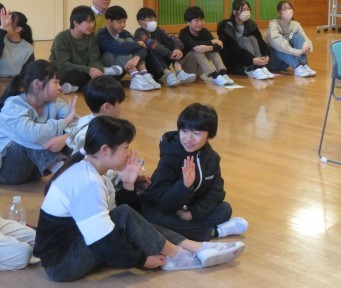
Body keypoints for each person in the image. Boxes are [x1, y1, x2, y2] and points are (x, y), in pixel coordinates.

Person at [33, 116, 245, 282]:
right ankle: (179, 256)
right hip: (62, 265)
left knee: (128, 215)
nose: (129, 153)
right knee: (124, 215)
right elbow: (105, 239)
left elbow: (126, 219)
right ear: (105, 150)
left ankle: (195, 247)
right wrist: (141, 260)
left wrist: (128, 184)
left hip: (75, 247)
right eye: (125, 147)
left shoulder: (90, 170)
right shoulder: (88, 182)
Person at [141, 103, 248, 241]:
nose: (189, 138)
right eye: (184, 131)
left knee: (224, 210)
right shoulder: (170, 158)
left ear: (210, 136)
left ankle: (187, 230)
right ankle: (214, 232)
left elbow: (217, 192)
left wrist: (192, 213)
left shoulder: (212, 158)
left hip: (189, 208)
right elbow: (163, 204)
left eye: (196, 133)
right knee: (156, 220)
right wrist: (184, 186)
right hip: (162, 208)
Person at [0, 60, 76, 184]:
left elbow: (80, 125)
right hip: (7, 171)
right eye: (55, 82)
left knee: (72, 136)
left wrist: (65, 138)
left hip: (33, 171)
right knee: (34, 137)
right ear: (37, 84)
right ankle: (66, 175)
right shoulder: (13, 105)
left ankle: (82, 172)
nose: (59, 87)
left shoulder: (55, 103)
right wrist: (65, 121)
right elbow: (34, 135)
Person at [50, 5, 123, 93]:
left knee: (102, 76)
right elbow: (64, 65)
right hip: (65, 72)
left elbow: (95, 59)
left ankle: (75, 87)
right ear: (76, 23)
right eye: (88, 22)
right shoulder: (61, 38)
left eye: (92, 22)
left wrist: (97, 71)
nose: (92, 25)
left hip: (84, 70)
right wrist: (89, 70)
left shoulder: (91, 36)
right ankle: (96, 81)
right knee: (74, 76)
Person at [96, 6, 160, 91]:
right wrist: (138, 43)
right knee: (121, 42)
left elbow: (143, 47)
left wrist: (136, 57)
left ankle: (144, 73)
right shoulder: (102, 34)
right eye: (119, 22)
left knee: (129, 41)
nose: (123, 25)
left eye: (124, 21)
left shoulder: (124, 33)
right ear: (109, 21)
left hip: (123, 68)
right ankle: (135, 75)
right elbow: (119, 48)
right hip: (109, 71)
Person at [134, 7, 196, 87]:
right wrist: (170, 54)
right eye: (150, 20)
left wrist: (177, 49)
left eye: (155, 20)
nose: (153, 23)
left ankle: (179, 71)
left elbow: (174, 39)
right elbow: (152, 44)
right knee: (153, 47)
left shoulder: (157, 30)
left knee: (171, 43)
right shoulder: (139, 33)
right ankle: (168, 74)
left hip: (158, 69)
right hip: (148, 70)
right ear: (141, 22)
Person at [217, 0, 274, 80]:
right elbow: (232, 49)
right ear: (235, 12)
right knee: (244, 39)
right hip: (234, 61)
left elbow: (260, 42)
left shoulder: (251, 24)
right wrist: (251, 60)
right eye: (243, 10)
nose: (246, 12)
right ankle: (251, 68)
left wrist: (266, 56)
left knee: (252, 38)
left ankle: (260, 66)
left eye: (248, 9)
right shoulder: (226, 26)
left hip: (252, 60)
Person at [67, 75, 125, 154]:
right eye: (120, 103)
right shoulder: (88, 135)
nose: (122, 106)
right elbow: (79, 159)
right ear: (107, 107)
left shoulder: (100, 122)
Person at [178, 6, 234, 86]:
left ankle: (223, 74)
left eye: (201, 20)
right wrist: (211, 42)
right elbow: (194, 45)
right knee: (196, 50)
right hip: (187, 70)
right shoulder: (183, 33)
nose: (200, 23)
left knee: (211, 50)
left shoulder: (204, 31)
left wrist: (208, 48)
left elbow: (218, 46)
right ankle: (215, 76)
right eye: (196, 20)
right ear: (188, 22)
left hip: (200, 69)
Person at [265, 0, 316, 77]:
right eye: (284, 9)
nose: (288, 11)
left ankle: (303, 65)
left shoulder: (296, 25)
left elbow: (306, 39)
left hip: (285, 63)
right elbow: (279, 44)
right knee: (280, 46)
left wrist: (306, 47)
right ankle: (297, 66)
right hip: (272, 61)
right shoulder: (273, 24)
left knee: (298, 37)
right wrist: (298, 51)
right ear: (279, 13)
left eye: (289, 8)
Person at [0, 8, 35, 78]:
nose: (2, 26)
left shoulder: (28, 48)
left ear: (18, 29)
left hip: (13, 81)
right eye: (2, 23)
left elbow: (28, 72)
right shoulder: (1, 39)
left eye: (6, 24)